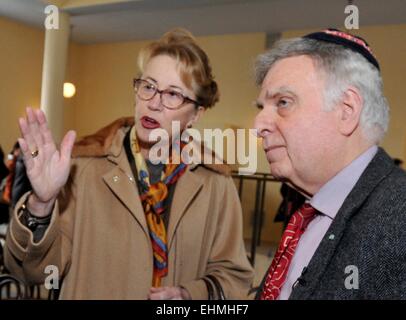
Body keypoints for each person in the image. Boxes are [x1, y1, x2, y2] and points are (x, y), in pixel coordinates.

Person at [4, 28, 254, 299]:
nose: (154, 103)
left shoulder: (215, 184)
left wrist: (188, 295)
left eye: (173, 94)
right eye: (148, 86)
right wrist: (41, 204)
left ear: (196, 114)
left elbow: (233, 279)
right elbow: (32, 272)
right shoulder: (83, 168)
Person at [253, 28, 406, 299]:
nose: (259, 125)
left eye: (283, 102)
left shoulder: (399, 218)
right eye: (261, 108)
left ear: (346, 111)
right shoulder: (308, 212)